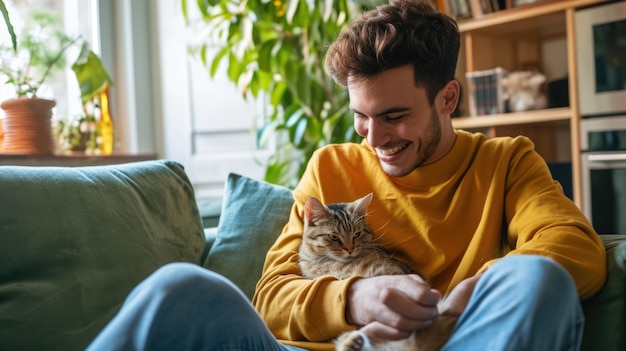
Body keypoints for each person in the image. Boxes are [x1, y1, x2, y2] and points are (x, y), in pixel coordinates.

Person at [87, 0, 607, 350]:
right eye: (361, 116)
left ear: (447, 98)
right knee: (179, 287)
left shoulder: (506, 160)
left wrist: (479, 287)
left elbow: (576, 249)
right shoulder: (332, 167)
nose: (373, 139)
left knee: (539, 279)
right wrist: (355, 297)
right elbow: (270, 298)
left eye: (394, 116)